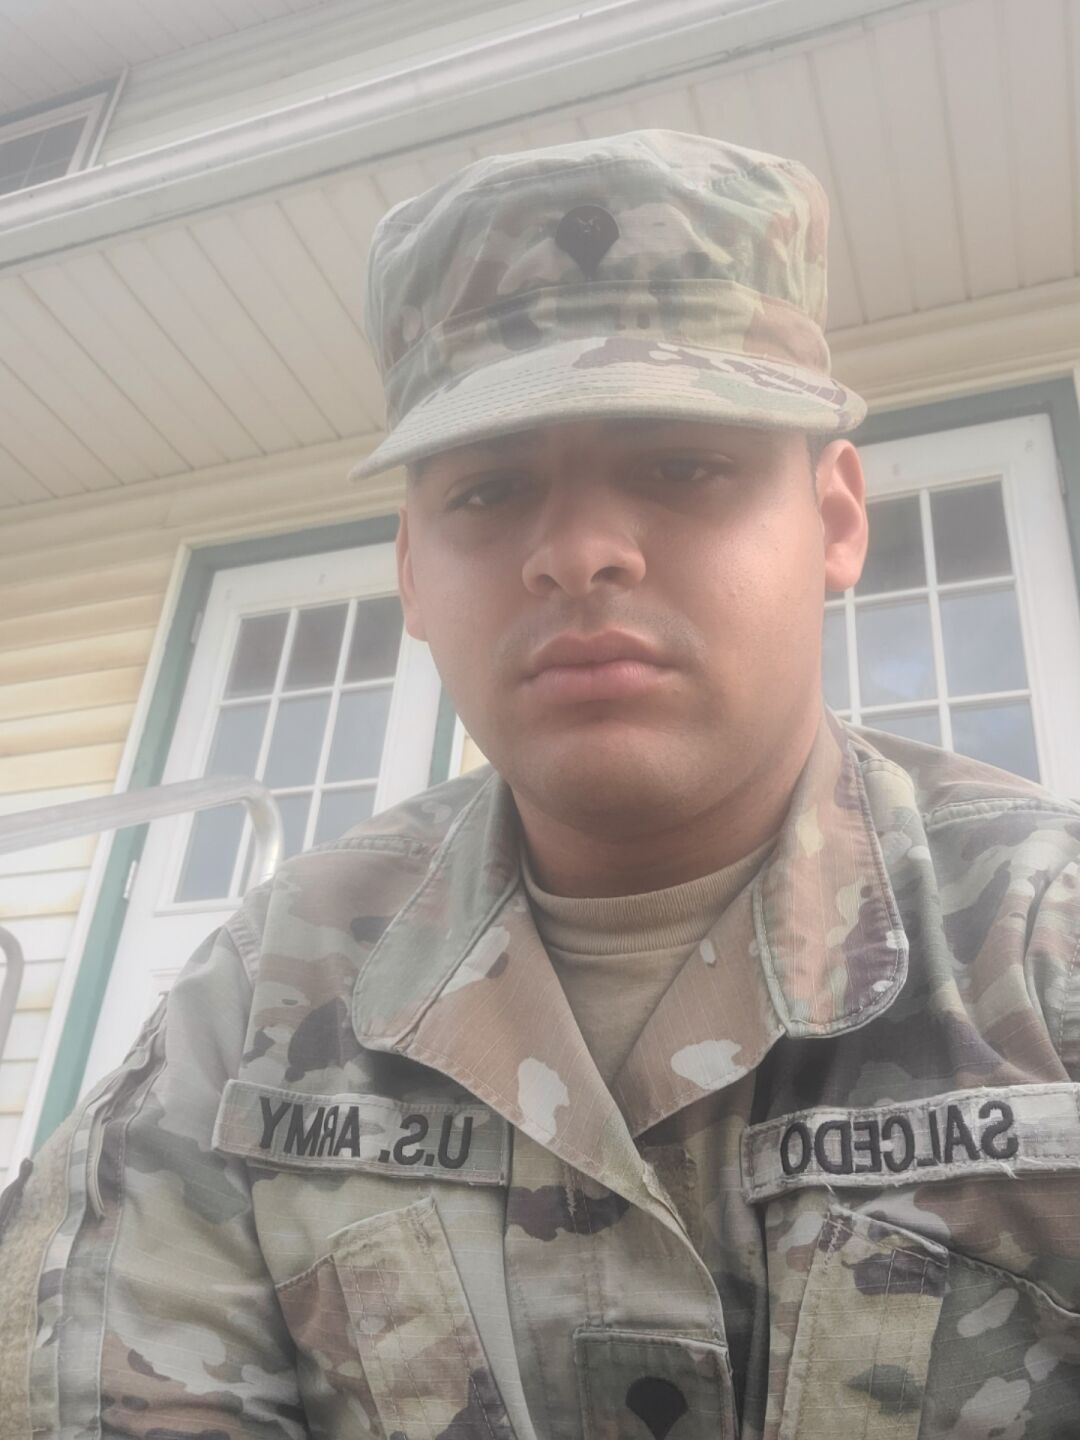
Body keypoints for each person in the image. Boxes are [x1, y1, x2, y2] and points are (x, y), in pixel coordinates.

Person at [3, 129, 1079, 1440]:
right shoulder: (265, 991)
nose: (576, 552)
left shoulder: (1048, 947)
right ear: (412, 572)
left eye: (683, 464)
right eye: (491, 489)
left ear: (836, 518)